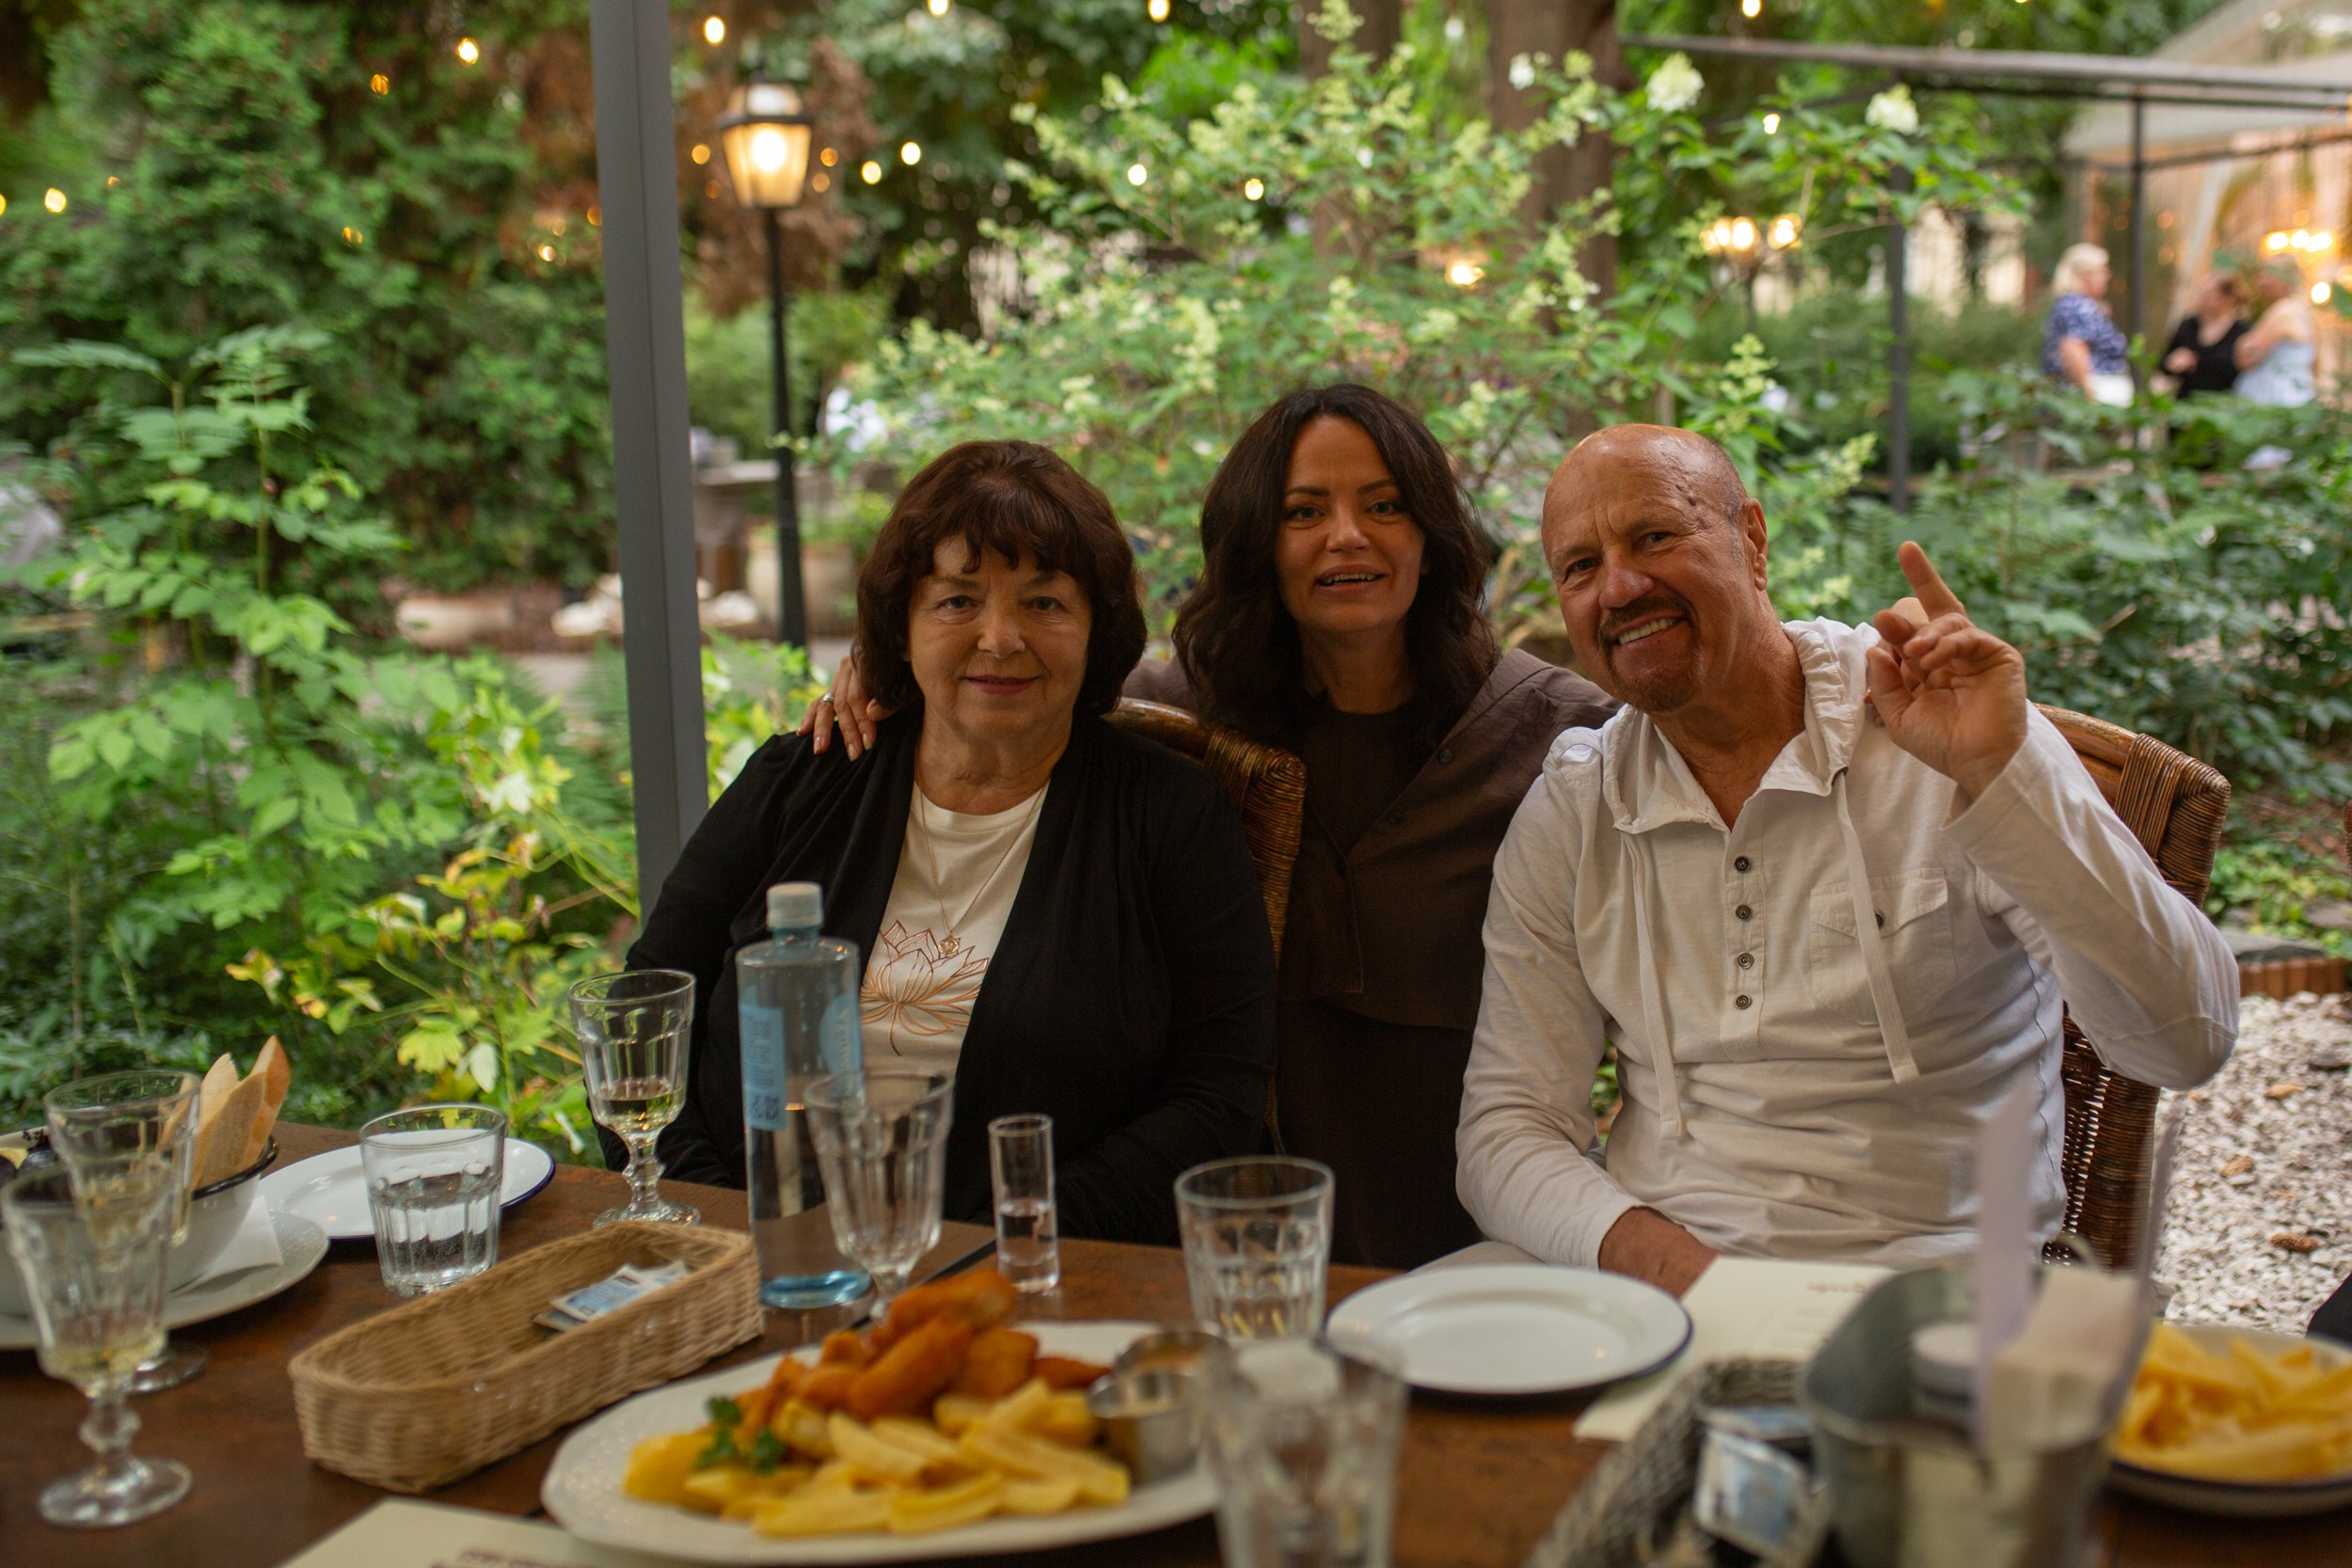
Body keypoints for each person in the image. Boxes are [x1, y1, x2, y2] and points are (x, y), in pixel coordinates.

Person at [807, 386, 1616, 1269]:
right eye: (1303, 511)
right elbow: (1013, 682)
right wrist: (882, 675)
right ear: (1257, 543)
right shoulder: (1185, 723)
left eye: (1385, 505)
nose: (1349, 535)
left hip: (1485, 1237)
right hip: (1234, 1239)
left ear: (1431, 531)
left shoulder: (1554, 733)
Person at [1455, 424, 2237, 1294]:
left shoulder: (1939, 735)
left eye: (1655, 537)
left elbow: (2187, 1038)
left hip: (1933, 1296)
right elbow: (1505, 1126)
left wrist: (2002, 780)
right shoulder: (1578, 805)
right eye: (1580, 566)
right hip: (1665, 1287)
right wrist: (1683, 1273)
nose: (1622, 586)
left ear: (1752, 540)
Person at [622, 440, 1278, 1246]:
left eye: (1044, 603)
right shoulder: (806, 778)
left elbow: (1222, 1095)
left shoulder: (1170, 814)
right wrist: (715, 1215)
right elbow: (649, 1000)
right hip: (750, 1260)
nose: (1000, 639)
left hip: (1035, 1277)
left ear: (1095, 628)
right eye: (958, 601)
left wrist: (1005, 1235)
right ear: (902, 625)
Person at [2042, 243, 2134, 406]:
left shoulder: (2080, 304)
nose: (2107, 276)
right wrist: (2089, 398)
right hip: (2093, 398)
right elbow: (2072, 348)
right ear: (2082, 275)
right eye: (2101, 271)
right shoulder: (2075, 305)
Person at [2234, 258, 2317, 407]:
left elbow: (2247, 359)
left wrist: (2242, 343)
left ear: (2284, 277)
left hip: (2272, 396)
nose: (2261, 282)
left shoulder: (2282, 311)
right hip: (2296, 392)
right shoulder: (2301, 309)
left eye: (2267, 276)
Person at [2159, 273, 2247, 397]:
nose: (2202, 298)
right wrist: (2173, 363)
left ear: (2229, 298)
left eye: (2209, 295)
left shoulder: (2241, 333)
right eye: (2202, 293)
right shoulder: (2188, 326)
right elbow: (2163, 365)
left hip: (2222, 409)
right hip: (2185, 405)